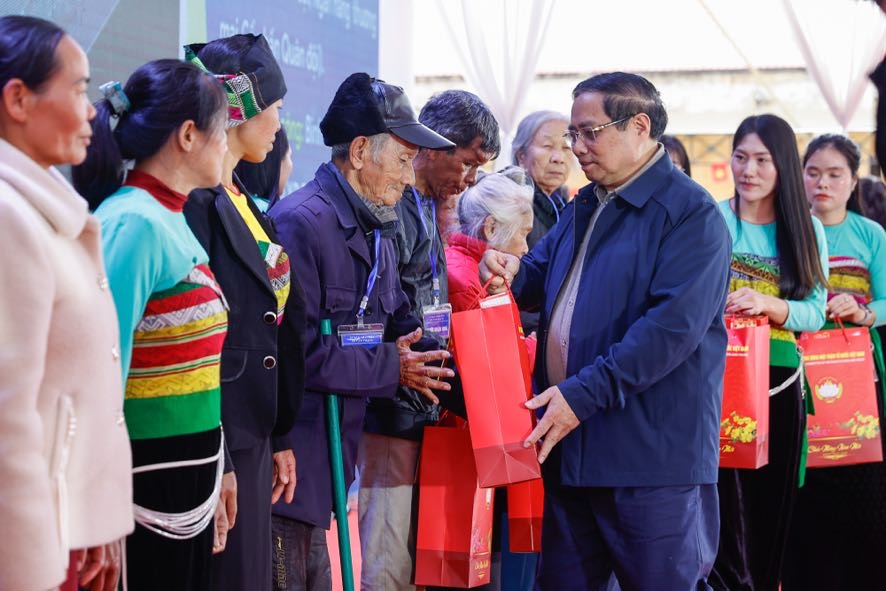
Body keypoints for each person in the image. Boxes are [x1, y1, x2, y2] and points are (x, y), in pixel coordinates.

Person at [480, 71, 731, 590]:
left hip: (650, 462)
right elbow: (541, 273)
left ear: (639, 126)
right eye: (573, 134)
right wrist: (509, 271)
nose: (577, 147)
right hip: (573, 448)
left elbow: (669, 332)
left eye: (589, 133)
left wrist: (580, 395)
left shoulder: (691, 215)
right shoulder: (587, 202)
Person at [269, 72, 456, 591]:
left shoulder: (379, 228)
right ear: (358, 152)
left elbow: (401, 323)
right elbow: (297, 354)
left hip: (334, 461)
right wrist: (394, 366)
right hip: (293, 462)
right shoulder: (300, 223)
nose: (408, 177)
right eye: (402, 160)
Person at [73, 59, 231, 590]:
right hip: (145, 484)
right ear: (188, 135)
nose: (225, 144)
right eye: (221, 129)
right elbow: (100, 368)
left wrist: (218, 467)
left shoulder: (168, 218)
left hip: (186, 479)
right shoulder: (133, 222)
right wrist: (98, 504)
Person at [0, 15, 133, 591]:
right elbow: (8, 418)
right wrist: (32, 568)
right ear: (18, 100)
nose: (91, 113)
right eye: (78, 90)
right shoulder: (8, 217)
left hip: (59, 530)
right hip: (25, 549)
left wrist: (90, 515)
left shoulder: (44, 208)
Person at [358, 88, 499, 591]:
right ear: (436, 146)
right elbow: (391, 314)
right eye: (468, 163)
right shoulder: (392, 206)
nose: (470, 179)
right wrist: (469, 396)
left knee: (417, 563)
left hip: (426, 401)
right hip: (394, 404)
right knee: (388, 562)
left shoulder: (426, 206)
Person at [183, 34, 306, 591]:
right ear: (239, 110)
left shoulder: (242, 202)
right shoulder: (198, 203)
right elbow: (201, 334)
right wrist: (222, 456)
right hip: (219, 431)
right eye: (275, 107)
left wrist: (279, 434)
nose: (280, 124)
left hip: (253, 429)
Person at [710, 114, 828, 591]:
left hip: (779, 382)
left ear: (782, 165)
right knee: (722, 512)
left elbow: (814, 312)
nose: (749, 170)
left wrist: (770, 304)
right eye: (741, 157)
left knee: (770, 510)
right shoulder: (713, 218)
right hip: (716, 380)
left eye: (762, 160)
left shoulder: (805, 229)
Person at [782, 134, 886, 590]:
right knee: (804, 497)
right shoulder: (788, 231)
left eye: (834, 174)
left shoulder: (871, 235)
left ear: (853, 182)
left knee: (860, 489)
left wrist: (862, 312)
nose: (822, 183)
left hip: (857, 380)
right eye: (813, 172)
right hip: (796, 377)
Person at [447, 166, 534, 310]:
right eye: (523, 234)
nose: (526, 249)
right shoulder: (468, 284)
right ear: (491, 228)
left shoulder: (473, 270)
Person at [512, 110, 572, 251]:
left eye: (566, 147)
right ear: (521, 156)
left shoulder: (563, 203)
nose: (559, 158)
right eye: (547, 146)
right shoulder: (510, 203)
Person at [235, 128, 292, 212]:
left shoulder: (232, 200)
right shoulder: (274, 213)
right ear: (275, 161)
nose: (291, 166)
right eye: (289, 156)